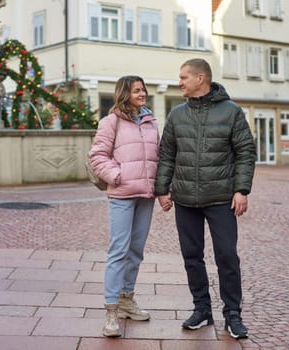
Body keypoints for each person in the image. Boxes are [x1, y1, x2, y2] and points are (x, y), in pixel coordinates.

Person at [155, 58, 256, 339]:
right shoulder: (176, 115)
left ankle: (233, 315)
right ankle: (202, 310)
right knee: (192, 257)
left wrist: (242, 190)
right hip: (185, 199)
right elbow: (167, 155)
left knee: (226, 256)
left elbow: (246, 152)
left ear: (201, 78)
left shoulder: (231, 112)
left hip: (222, 198)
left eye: (183, 77)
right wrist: (162, 190)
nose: (180, 82)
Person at [89, 76, 159, 337]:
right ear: (124, 93)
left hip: (146, 195)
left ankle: (127, 300)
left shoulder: (151, 122)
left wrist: (161, 188)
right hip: (122, 195)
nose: (143, 94)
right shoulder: (111, 122)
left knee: (136, 250)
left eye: (144, 89)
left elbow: (158, 155)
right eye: (137, 90)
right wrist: (117, 176)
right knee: (118, 250)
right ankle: (111, 311)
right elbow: (97, 156)